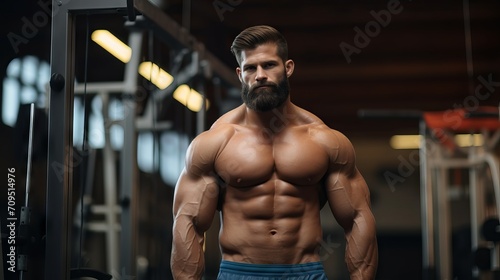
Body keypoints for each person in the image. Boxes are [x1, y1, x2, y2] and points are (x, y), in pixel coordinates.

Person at [171, 25, 378, 280]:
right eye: (250, 68)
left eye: (269, 65)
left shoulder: (324, 140)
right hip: (239, 272)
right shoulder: (215, 142)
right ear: (240, 73)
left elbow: (358, 218)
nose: (260, 75)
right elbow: (187, 223)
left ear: (288, 68)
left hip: (304, 272)